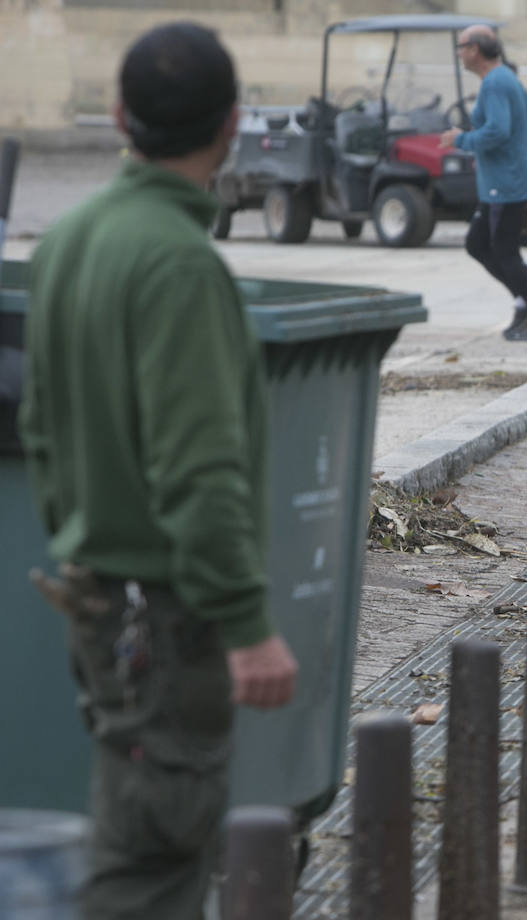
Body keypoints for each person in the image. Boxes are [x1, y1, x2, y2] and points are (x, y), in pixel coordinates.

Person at [19, 21, 298, 918]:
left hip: (101, 603)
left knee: (132, 837)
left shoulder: (68, 240)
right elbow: (201, 468)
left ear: (117, 118)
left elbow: (41, 426)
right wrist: (248, 625)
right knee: (151, 874)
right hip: (167, 622)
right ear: (232, 125)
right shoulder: (179, 265)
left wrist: (82, 544)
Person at [439, 25, 527, 341]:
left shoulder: (494, 84)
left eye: (461, 47)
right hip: (503, 180)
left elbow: (497, 131)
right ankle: (521, 301)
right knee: (477, 244)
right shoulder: (507, 78)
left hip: (504, 184)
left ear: (474, 50)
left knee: (505, 252)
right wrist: (514, 151)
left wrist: (460, 138)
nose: (459, 54)